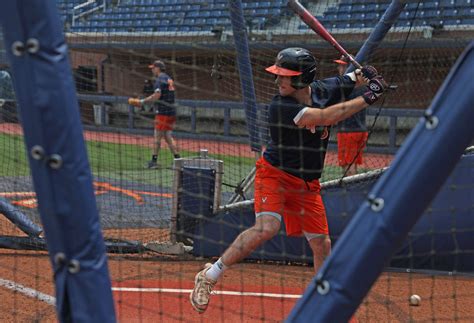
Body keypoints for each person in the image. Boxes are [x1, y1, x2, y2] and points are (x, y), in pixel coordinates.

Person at [189, 47, 386, 314]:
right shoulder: (280, 107)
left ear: (303, 79)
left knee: (322, 244)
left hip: (307, 185)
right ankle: (210, 275)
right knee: (266, 227)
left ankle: (323, 299)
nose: (278, 81)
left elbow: (349, 79)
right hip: (276, 175)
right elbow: (328, 117)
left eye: (285, 76)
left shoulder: (323, 90)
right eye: (278, 75)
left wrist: (364, 75)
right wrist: (369, 96)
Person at [128, 60, 180, 169]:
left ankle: (153, 162)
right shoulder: (168, 78)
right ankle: (178, 160)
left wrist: (141, 102)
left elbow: (157, 95)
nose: (152, 70)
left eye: (153, 68)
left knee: (157, 137)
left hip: (163, 112)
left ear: (158, 68)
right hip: (171, 111)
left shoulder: (159, 79)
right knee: (167, 136)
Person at [334, 56, 369, 176]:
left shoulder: (345, 85)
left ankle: (349, 192)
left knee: (347, 164)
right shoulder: (363, 85)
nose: (340, 68)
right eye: (340, 65)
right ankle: (352, 189)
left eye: (343, 65)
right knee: (352, 163)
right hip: (360, 130)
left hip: (348, 131)